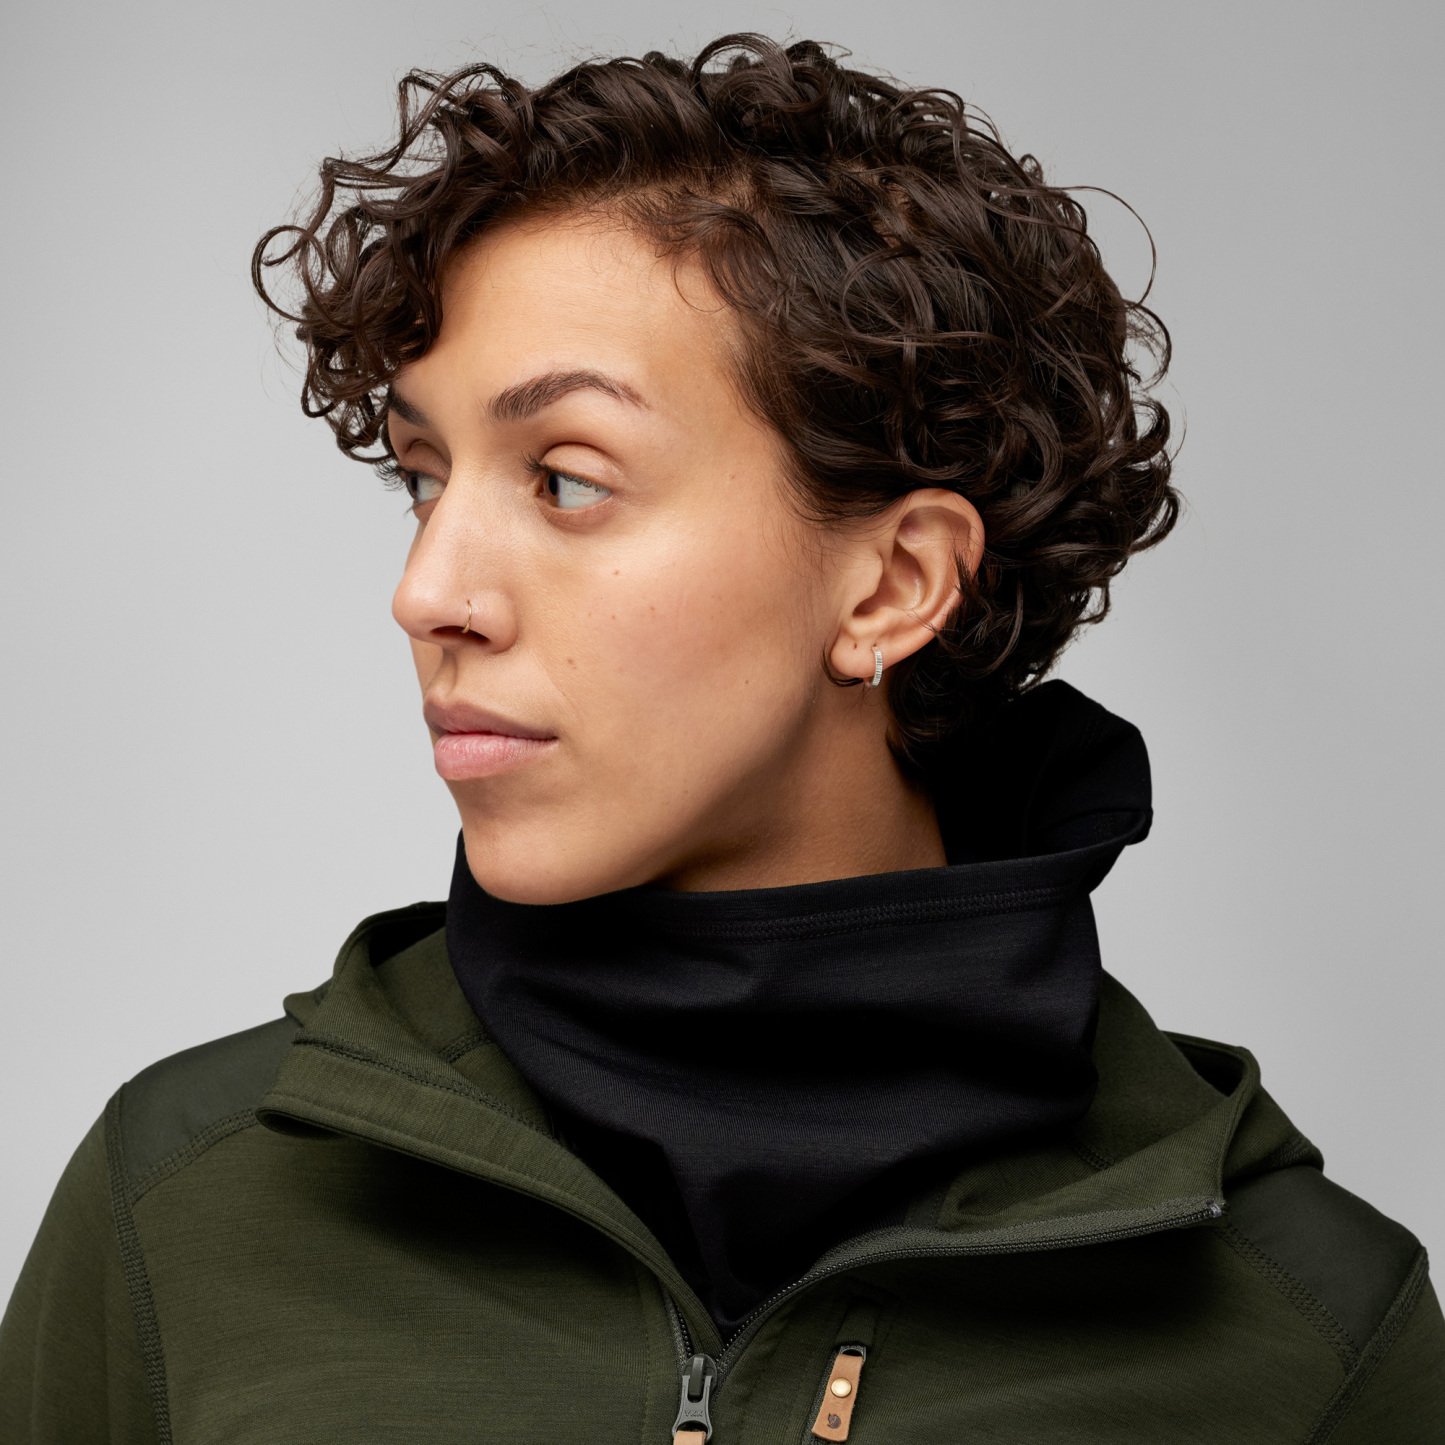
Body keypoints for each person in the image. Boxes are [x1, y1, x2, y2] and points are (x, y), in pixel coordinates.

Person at [1, 33, 1439, 1444]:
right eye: (426, 477)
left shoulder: (1305, 1332)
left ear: (890, 585)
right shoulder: (179, 1210)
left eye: (566, 481)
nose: (427, 592)